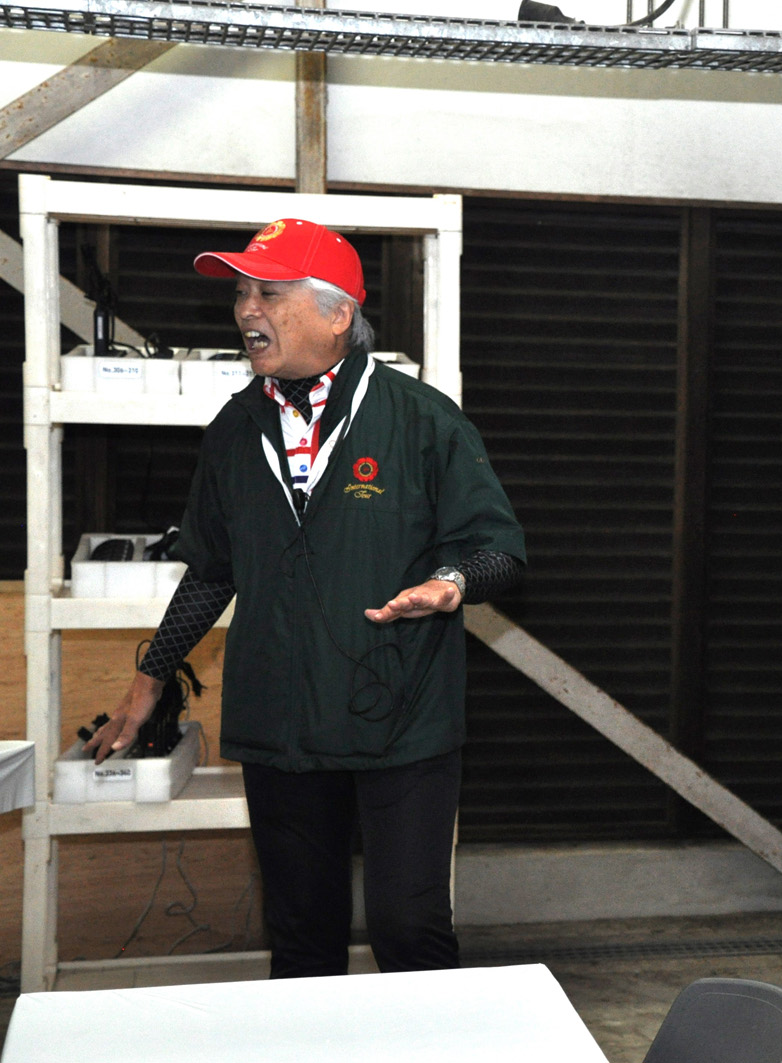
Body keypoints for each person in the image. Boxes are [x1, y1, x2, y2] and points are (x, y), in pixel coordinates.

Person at [85, 218, 526, 978]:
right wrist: (150, 678)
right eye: (241, 294)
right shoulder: (235, 429)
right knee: (300, 938)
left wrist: (452, 583)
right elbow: (212, 570)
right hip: (280, 725)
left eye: (270, 293)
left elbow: (500, 549)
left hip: (401, 720)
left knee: (408, 928)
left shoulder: (422, 420)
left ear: (338, 313)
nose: (247, 309)